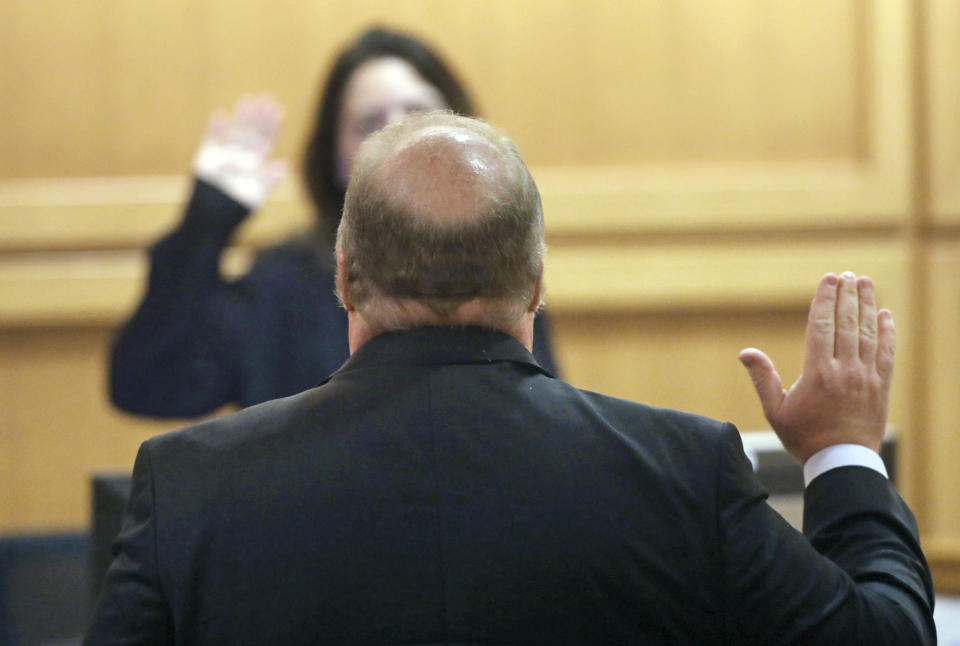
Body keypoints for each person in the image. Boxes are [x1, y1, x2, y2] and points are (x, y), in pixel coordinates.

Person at [85, 112, 935, 645]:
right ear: (536, 281)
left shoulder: (192, 485)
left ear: (343, 276)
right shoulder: (681, 472)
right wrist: (840, 452)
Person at [108, 27, 559, 418]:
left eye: (419, 115)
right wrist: (205, 223)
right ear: (337, 158)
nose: (398, 139)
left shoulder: (501, 272)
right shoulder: (282, 286)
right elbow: (148, 385)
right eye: (369, 123)